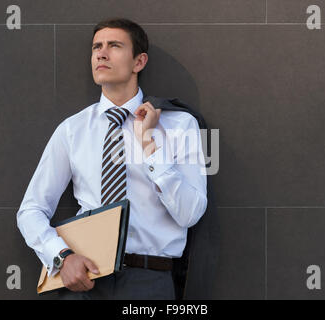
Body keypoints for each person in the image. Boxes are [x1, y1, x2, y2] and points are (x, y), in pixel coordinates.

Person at [16, 17, 208, 300]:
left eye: (114, 46)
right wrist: (62, 257)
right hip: (85, 281)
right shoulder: (72, 129)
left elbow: (190, 213)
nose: (101, 54)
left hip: (149, 282)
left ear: (139, 62)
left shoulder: (180, 125)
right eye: (97, 47)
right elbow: (31, 211)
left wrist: (150, 146)